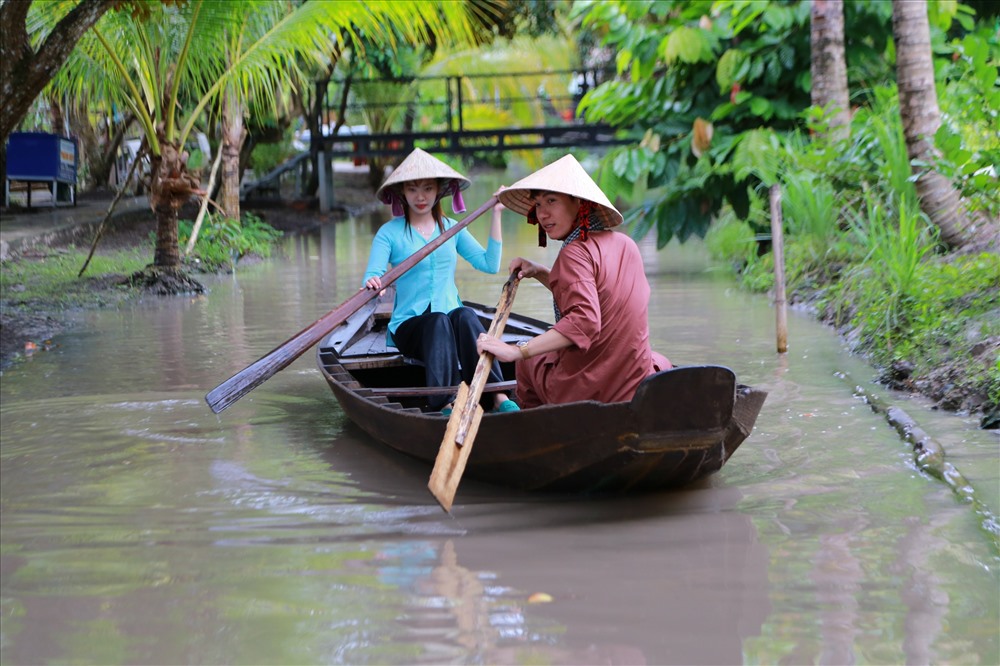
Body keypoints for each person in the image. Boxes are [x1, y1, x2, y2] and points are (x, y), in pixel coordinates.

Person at [476, 154, 670, 409]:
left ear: (578, 202)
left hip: (589, 390)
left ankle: (533, 425)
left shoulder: (573, 253)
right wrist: (539, 271)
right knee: (658, 359)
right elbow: (594, 295)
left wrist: (518, 350)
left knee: (528, 361)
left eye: (552, 201)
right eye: (538, 204)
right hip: (633, 383)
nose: (543, 214)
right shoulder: (625, 244)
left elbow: (585, 321)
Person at [362, 148, 518, 414]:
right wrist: (375, 282)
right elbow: (372, 275)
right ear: (402, 193)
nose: (420, 197)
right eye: (412, 190)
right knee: (438, 322)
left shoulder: (452, 228)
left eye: (427, 188)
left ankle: (497, 395)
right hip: (410, 327)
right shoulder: (389, 233)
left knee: (465, 315)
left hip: (449, 323)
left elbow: (489, 265)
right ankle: (445, 401)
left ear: (439, 191)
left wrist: (497, 213)